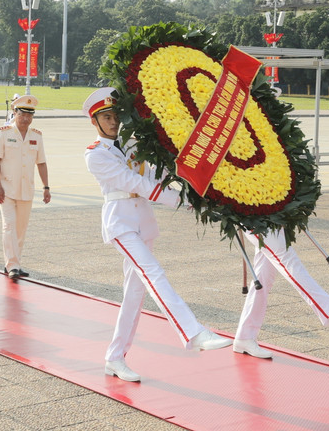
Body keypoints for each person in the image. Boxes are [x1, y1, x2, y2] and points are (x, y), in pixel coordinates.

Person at [81, 88, 233, 382]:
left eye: (115, 116)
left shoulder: (136, 146)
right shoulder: (95, 154)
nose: (113, 122)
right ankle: (192, 331)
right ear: (95, 122)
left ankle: (114, 357)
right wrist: (185, 203)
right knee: (153, 273)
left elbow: (157, 178)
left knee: (134, 295)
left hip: (143, 221)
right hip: (121, 222)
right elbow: (133, 182)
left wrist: (189, 187)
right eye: (106, 118)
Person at [234, 227, 329, 360]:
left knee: (263, 277)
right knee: (287, 259)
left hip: (270, 216)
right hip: (253, 217)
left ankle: (245, 336)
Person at [0, 94, 50, 280]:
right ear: (14, 113)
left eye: (30, 115)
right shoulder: (3, 132)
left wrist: (46, 186)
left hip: (26, 189)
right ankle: (12, 265)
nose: (26, 118)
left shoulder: (36, 136)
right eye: (22, 114)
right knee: (9, 226)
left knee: (20, 229)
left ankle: (15, 261)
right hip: (7, 189)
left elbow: (41, 163)